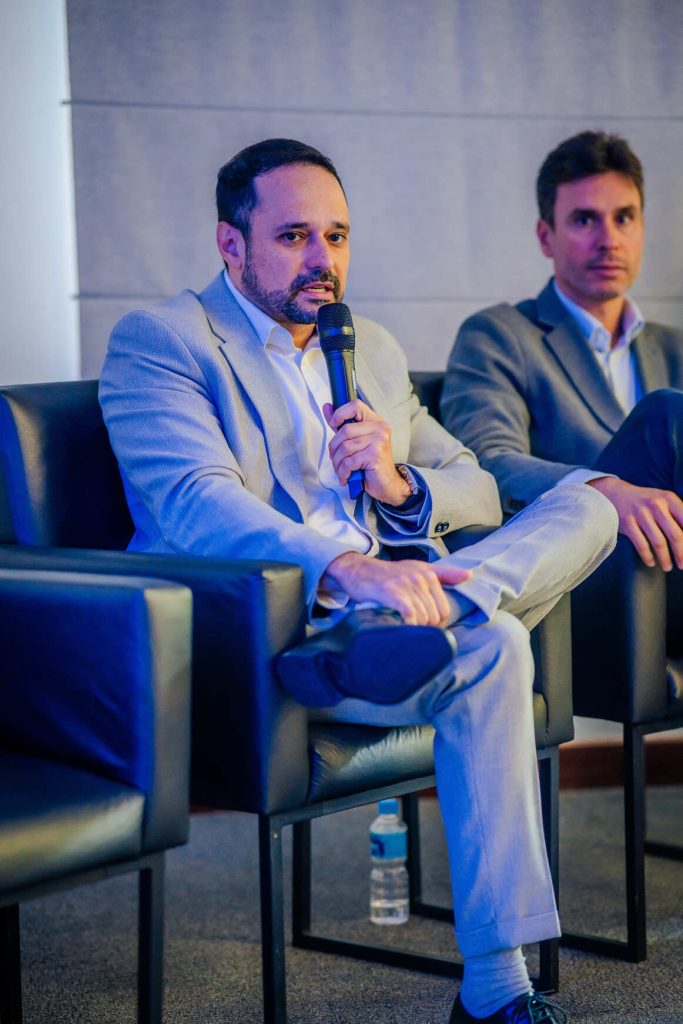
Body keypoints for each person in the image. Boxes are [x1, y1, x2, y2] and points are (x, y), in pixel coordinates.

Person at [99, 138, 617, 1024]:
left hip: (402, 617)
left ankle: (443, 612)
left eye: (336, 236)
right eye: (293, 236)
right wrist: (345, 568)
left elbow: (472, 481)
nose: (322, 260)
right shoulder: (164, 341)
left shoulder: (367, 345)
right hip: (275, 632)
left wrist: (398, 483)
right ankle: (499, 990)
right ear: (230, 244)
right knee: (497, 641)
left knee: (588, 507)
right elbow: (192, 503)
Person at [442, 130, 683, 575]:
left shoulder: (675, 348)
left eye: (624, 218)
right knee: (667, 413)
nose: (609, 240)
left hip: (670, 569)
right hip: (579, 569)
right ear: (545, 236)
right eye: (585, 220)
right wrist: (601, 491)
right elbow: (486, 463)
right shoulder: (499, 334)